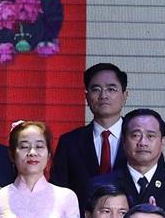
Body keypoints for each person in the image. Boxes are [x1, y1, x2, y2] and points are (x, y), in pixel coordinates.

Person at [0, 121, 80, 218]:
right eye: (24, 147)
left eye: (39, 146)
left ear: (49, 154)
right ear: (12, 154)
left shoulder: (66, 197)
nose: (32, 152)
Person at [48, 61, 129, 190]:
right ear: (86, 97)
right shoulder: (69, 143)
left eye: (111, 89)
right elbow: (58, 191)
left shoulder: (140, 139)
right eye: (96, 89)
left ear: (125, 96)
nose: (103, 96)